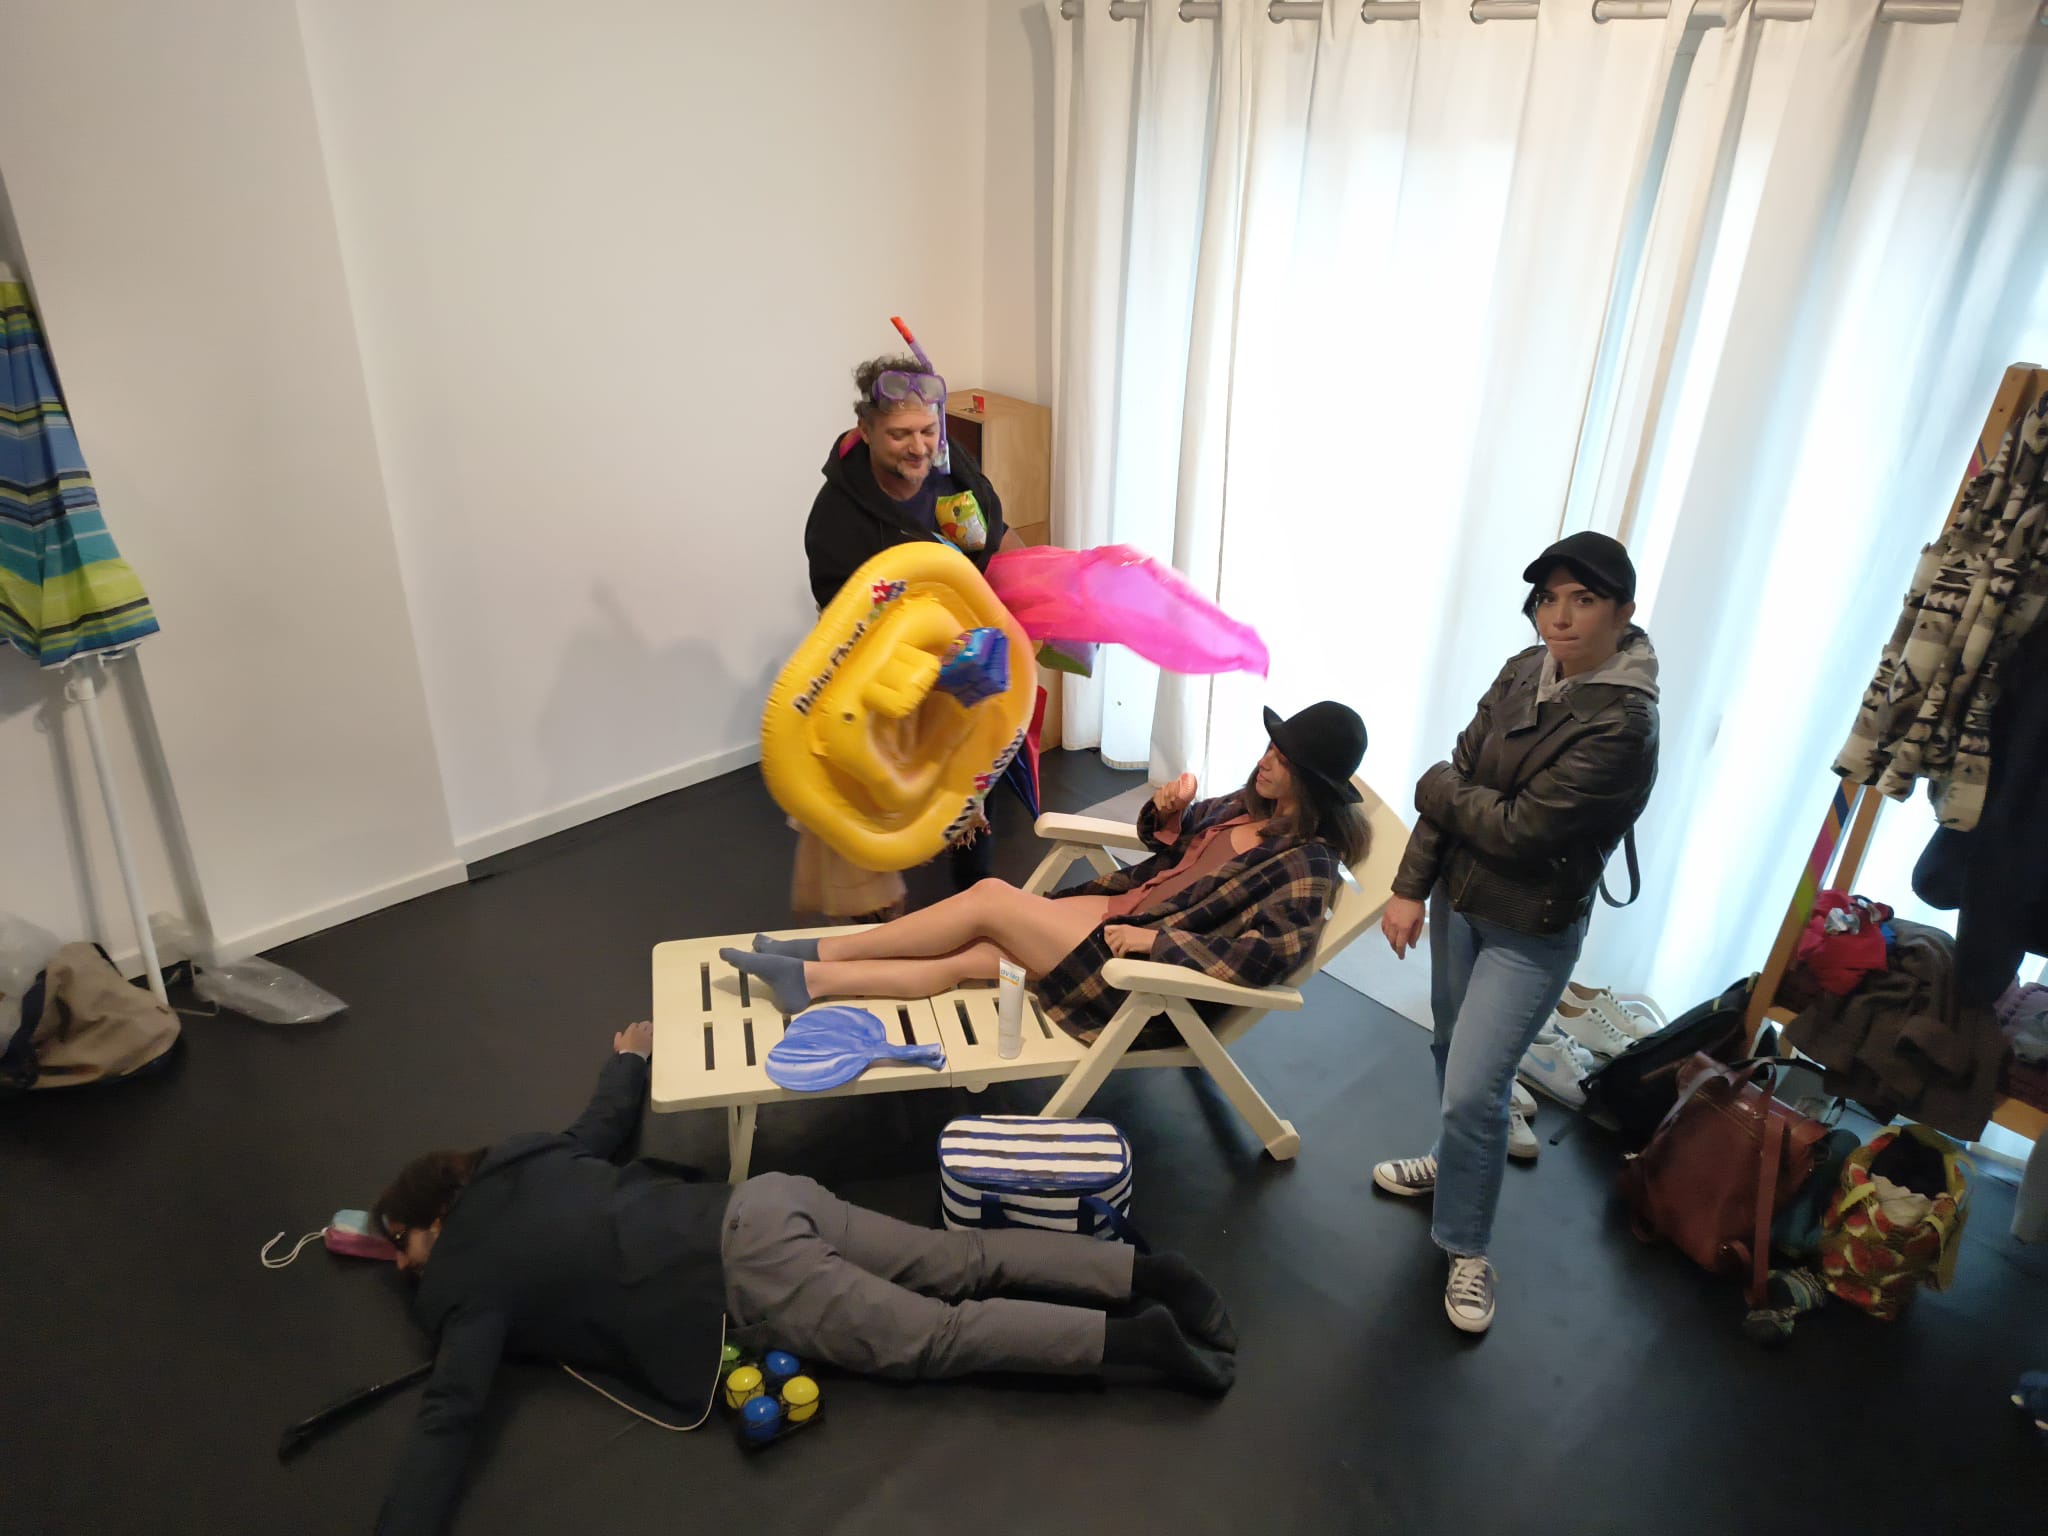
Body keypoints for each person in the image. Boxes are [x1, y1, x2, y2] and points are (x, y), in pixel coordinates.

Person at [372, 1025, 1237, 1536]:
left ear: (433, 1219)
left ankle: (1136, 1341)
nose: (402, 1264)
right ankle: (1144, 1269)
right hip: (769, 1202)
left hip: (754, 1275)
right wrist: (629, 1058)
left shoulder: (465, 1288)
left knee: (938, 1338)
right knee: (963, 1258)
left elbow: (450, 1415)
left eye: (399, 1244)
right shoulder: (521, 1160)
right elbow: (597, 1125)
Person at [1373, 532, 1659, 1336]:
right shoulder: (1522, 669)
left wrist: (1439, 787)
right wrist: (1409, 886)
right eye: (1548, 599)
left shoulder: (1626, 722)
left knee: (1477, 1087)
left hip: (1530, 927)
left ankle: (1467, 1246)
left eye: (1583, 600)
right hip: (1458, 900)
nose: (1559, 617)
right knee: (1449, 1050)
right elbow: (1462, 781)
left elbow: (1520, 829)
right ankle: (1454, 1163)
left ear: (1623, 612)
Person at [725, 701, 1369, 1043]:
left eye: (1284, 760)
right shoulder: (1247, 807)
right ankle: (809, 977)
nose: (1266, 761)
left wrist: (1157, 946)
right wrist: (1168, 810)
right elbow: (1168, 845)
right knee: (974, 955)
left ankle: (819, 950)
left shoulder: (1308, 864)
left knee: (989, 900)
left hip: (1139, 975)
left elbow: (1269, 956)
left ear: (1313, 783)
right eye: (1270, 747)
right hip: (1122, 913)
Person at [794, 347, 1022, 919]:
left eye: (927, 430)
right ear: (866, 429)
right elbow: (844, 624)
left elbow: (995, 531)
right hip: (884, 667)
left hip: (966, 650)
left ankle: (975, 901)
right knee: (870, 796)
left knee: (972, 786)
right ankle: (874, 922)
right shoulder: (837, 516)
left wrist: (1021, 605)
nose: (918, 447)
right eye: (899, 434)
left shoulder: (951, 468)